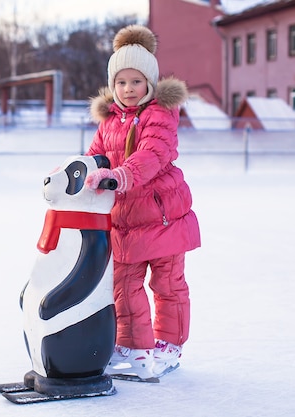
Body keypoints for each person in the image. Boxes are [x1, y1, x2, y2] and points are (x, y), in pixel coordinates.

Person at [84, 24, 201, 380]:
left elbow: (152, 154)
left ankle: (168, 345)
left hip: (163, 215)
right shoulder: (109, 122)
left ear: (149, 83)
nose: (128, 89)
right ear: (112, 85)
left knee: (167, 284)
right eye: (121, 82)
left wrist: (120, 176)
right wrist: (78, 174)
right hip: (124, 219)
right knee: (123, 284)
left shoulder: (159, 115)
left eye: (136, 82)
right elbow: (96, 156)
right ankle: (134, 348)